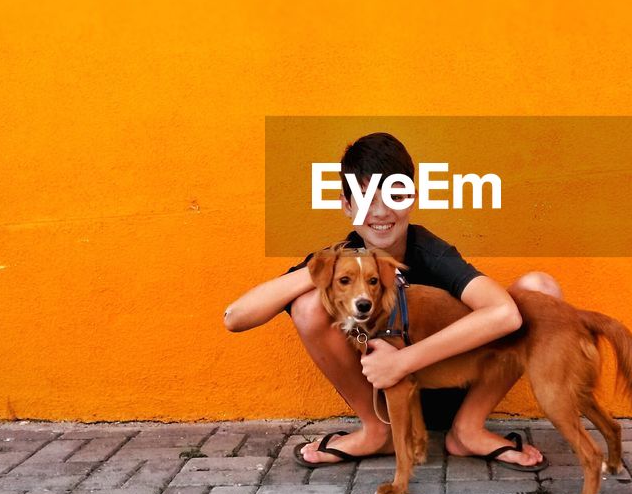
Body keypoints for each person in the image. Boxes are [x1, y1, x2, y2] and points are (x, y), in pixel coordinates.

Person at [224, 131, 560, 468]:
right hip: (385, 399)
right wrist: (319, 272)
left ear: (411, 199)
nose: (382, 211)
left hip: (456, 382)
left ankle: (468, 429)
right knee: (309, 304)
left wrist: (403, 361)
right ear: (346, 205)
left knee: (540, 289)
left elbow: (506, 315)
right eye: (367, 199)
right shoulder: (338, 263)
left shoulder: (429, 251)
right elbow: (236, 318)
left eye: (394, 196)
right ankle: (377, 432)